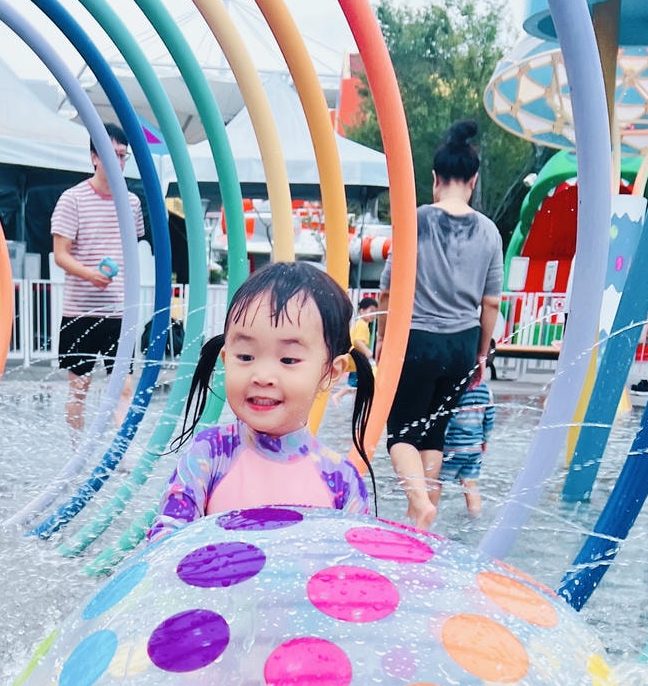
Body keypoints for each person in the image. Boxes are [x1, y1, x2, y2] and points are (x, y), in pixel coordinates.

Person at [148, 261, 374, 541]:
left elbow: (354, 568)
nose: (263, 376)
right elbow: (166, 544)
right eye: (245, 357)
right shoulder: (210, 455)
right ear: (225, 359)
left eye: (288, 359)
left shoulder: (342, 481)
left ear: (330, 373)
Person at [375, 120, 504, 530]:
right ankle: (421, 525)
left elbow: (387, 292)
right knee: (434, 437)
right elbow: (491, 302)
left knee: (400, 436)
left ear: (435, 179)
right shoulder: (489, 232)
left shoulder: (417, 221)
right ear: (473, 180)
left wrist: (382, 344)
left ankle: (418, 501)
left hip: (417, 341)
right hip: (462, 346)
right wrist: (481, 353)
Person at [50, 123, 145, 438]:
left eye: (123, 156)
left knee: (125, 387)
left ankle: (121, 453)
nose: (118, 162)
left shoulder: (131, 203)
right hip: (81, 312)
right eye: (111, 154)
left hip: (119, 312)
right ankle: (75, 450)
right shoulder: (72, 199)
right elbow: (60, 254)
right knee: (79, 389)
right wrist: (91, 274)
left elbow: (133, 249)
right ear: (94, 157)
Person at [440, 374, 496, 517]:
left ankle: (427, 516)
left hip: (452, 447)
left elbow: (447, 419)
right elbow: (489, 418)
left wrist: (438, 442)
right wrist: (485, 440)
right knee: (470, 484)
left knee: (435, 481)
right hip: (474, 448)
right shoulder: (485, 389)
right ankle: (475, 515)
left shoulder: (456, 388)